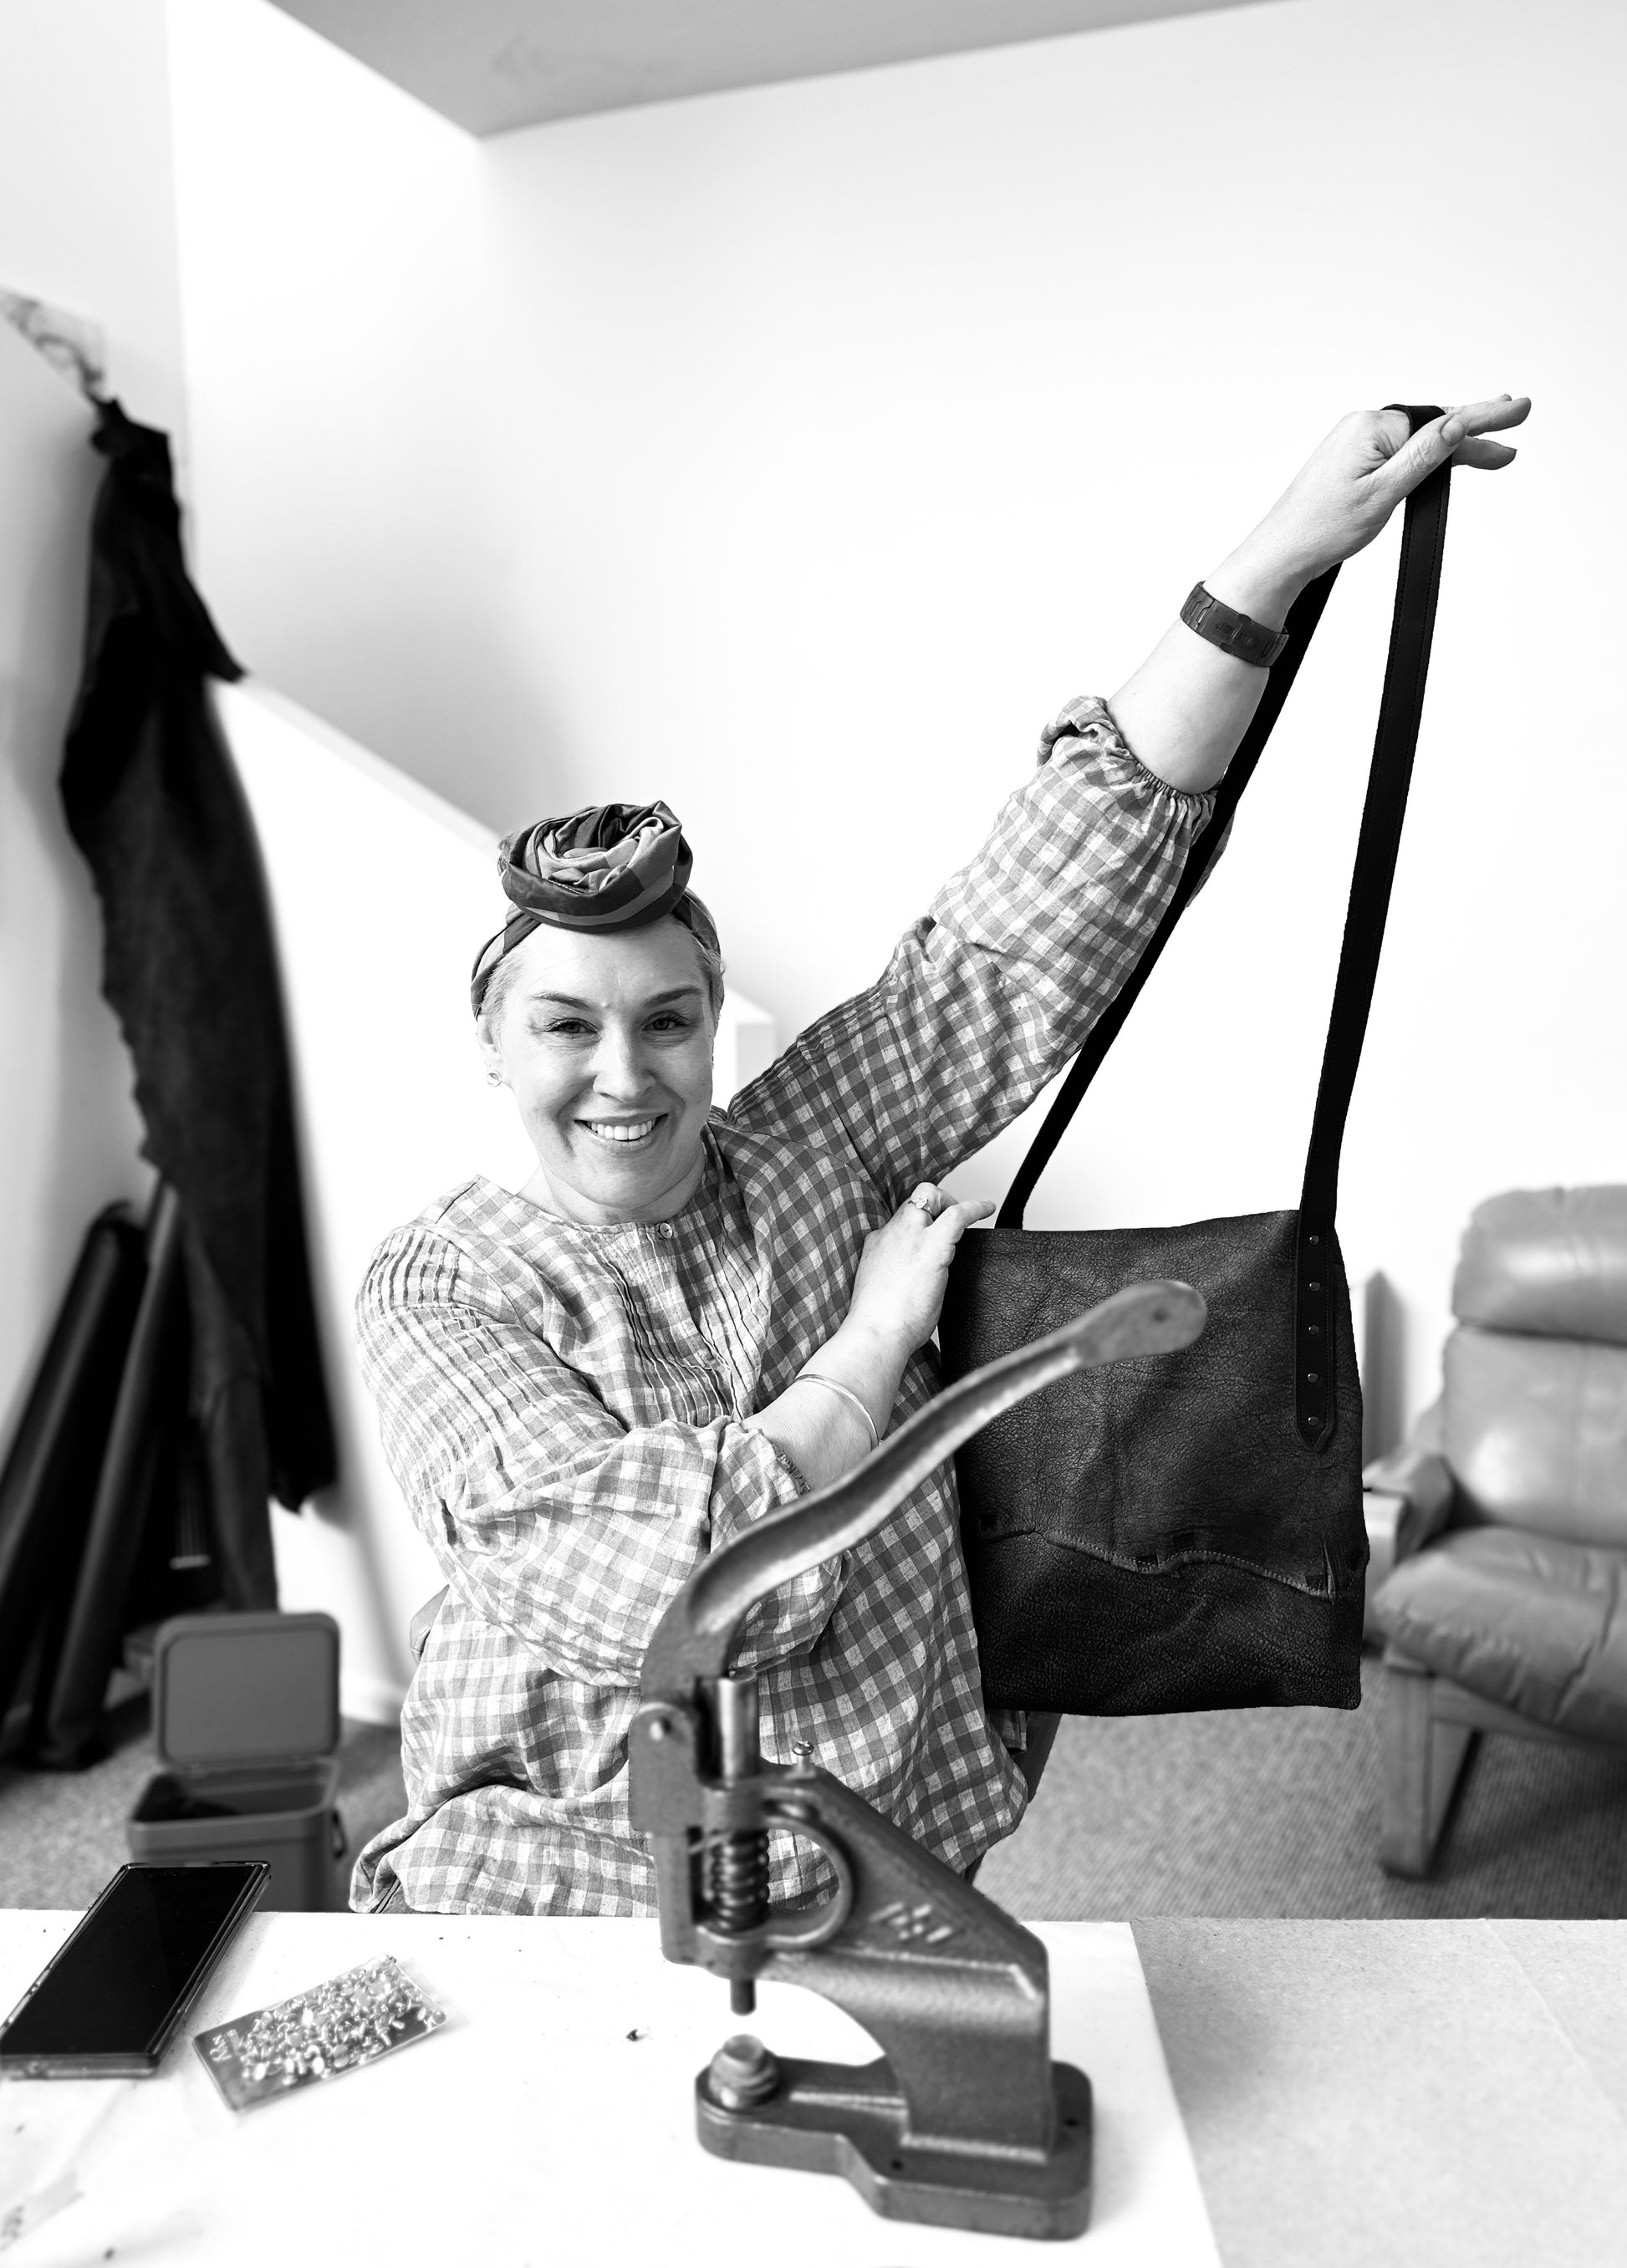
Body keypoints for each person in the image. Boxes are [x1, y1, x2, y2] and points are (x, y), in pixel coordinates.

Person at [352, 397, 1529, 1916]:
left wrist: (1275, 559)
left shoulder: (804, 1137)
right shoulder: (442, 1288)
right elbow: (682, 1595)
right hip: (587, 1873)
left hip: (889, 1825)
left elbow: (1033, 914)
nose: (625, 1074)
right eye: (565, 1026)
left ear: (715, 1022)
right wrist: (872, 1340)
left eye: (670, 1019)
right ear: (494, 1046)